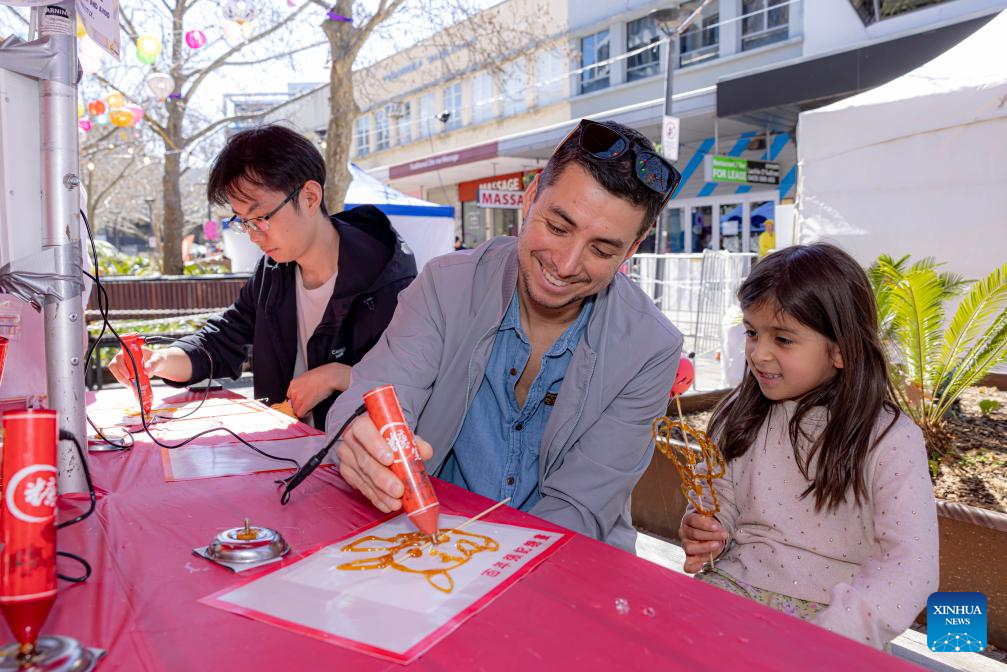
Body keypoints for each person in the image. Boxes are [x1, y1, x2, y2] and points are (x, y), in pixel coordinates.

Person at [326, 118, 684, 551]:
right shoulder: (446, 284)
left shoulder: (651, 347)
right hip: (429, 546)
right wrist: (363, 441)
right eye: (557, 227)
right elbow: (374, 395)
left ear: (633, 248)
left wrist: (482, 565)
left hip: (567, 563)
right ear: (530, 197)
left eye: (602, 249)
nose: (567, 264)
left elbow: (582, 506)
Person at [678, 243, 938, 649]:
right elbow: (719, 497)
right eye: (751, 332)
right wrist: (707, 529)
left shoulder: (891, 439)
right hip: (730, 591)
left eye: (782, 339)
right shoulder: (738, 412)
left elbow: (910, 564)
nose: (758, 353)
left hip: (836, 625)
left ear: (840, 350)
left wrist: (833, 635)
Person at [107, 125, 417, 430]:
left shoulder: (387, 278)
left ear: (309, 198)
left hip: (362, 462)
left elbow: (414, 378)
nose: (254, 235)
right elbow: (221, 340)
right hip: (286, 450)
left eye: (261, 218)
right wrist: (161, 359)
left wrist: (338, 375)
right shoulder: (274, 272)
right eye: (244, 222)